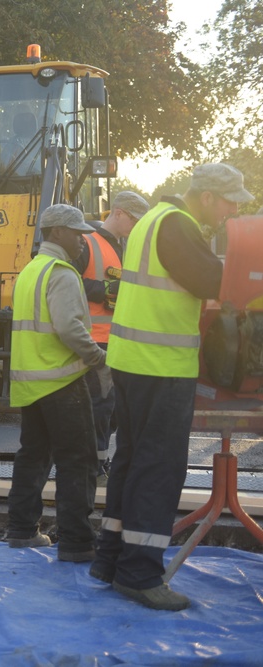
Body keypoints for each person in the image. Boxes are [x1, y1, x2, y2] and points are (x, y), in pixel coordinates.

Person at [91, 163, 254, 611]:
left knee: (130, 460)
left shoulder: (153, 221)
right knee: (158, 468)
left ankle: (110, 560)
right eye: (229, 202)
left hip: (131, 362)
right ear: (206, 197)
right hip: (159, 366)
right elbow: (214, 282)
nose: (231, 211)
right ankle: (140, 574)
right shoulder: (179, 227)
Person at [7, 204, 111, 562]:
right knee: (78, 461)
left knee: (33, 456)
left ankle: (21, 531)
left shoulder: (31, 270)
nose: (83, 239)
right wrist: (98, 358)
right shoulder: (62, 273)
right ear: (55, 233)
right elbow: (69, 329)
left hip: (31, 382)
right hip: (62, 382)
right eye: (76, 232)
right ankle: (78, 544)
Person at [70, 191, 151, 483]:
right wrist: (102, 291)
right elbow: (66, 280)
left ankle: (98, 463)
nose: (136, 225)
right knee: (100, 405)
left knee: (112, 407)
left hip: (117, 340)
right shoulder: (88, 243)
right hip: (94, 339)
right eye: (134, 219)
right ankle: (93, 468)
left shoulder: (125, 247)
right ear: (117, 213)